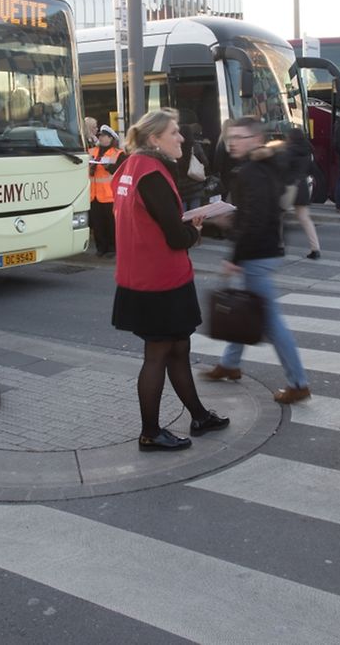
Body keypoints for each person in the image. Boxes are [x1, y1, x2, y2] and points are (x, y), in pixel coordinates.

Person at [111, 109, 228, 451]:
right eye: (175, 133)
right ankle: (150, 432)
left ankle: (199, 415)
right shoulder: (154, 174)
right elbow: (175, 236)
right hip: (161, 279)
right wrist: (194, 230)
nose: (181, 138)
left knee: (177, 348)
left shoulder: (129, 168)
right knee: (158, 354)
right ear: (154, 139)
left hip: (140, 275)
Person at [202, 117, 312, 404]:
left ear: (256, 139)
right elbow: (260, 212)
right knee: (245, 308)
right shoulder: (264, 165)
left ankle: (299, 382)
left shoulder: (252, 170)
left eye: (239, 137)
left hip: (257, 252)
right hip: (265, 248)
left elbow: (256, 218)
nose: (232, 142)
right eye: (230, 137)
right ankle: (230, 364)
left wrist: (234, 253)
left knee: (270, 320)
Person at [284, 127, 321, 259]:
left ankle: (279, 246)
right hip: (303, 185)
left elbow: (283, 168)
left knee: (277, 215)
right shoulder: (307, 151)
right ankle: (315, 249)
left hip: (289, 186)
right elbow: (313, 170)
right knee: (305, 219)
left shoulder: (289, 151)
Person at [89, 125, 125, 257]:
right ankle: (101, 248)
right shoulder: (92, 151)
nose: (101, 138)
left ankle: (112, 248)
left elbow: (120, 171)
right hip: (94, 195)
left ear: (111, 138)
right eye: (100, 136)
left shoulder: (118, 153)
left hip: (110, 195)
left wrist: (109, 167)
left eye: (104, 136)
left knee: (111, 224)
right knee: (97, 224)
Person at [174, 123, 208, 211]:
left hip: (181, 187)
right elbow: (205, 162)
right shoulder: (196, 146)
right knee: (196, 213)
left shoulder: (175, 147)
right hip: (195, 185)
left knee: (183, 214)